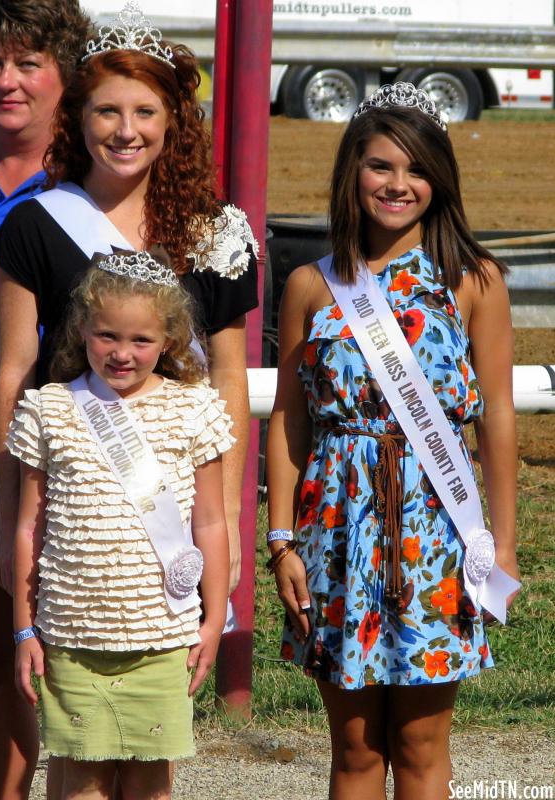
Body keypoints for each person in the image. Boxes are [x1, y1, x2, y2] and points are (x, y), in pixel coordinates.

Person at [266, 82, 520, 800]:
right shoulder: (313, 285)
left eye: (416, 169)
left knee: (418, 745)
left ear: (441, 178)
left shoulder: (474, 281)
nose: (398, 184)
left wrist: (501, 542)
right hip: (336, 529)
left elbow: (497, 415)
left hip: (439, 529)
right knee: (352, 749)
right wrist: (281, 538)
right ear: (352, 171)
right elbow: (290, 417)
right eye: (380, 165)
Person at [0, 2, 258, 610]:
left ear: (173, 122)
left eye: (145, 111)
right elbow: (14, 373)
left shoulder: (214, 232)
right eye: (107, 110)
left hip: (181, 501)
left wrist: (231, 517)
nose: (125, 130)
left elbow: (229, 374)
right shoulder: (34, 225)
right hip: (72, 501)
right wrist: (10, 522)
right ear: (77, 120)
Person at [8, 250, 231, 800]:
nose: (122, 354)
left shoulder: (194, 409)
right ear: (82, 326)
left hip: (162, 634)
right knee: (79, 782)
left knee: (150, 784)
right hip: (71, 632)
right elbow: (26, 528)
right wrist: (22, 627)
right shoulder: (50, 409)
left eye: (141, 341)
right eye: (107, 335)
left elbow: (211, 521)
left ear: (170, 340)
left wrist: (214, 618)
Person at [0, 2, 91, 797]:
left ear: (65, 74)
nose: (6, 81)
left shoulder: (96, 190)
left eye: (28, 62)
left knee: (64, 676)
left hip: (74, 473)